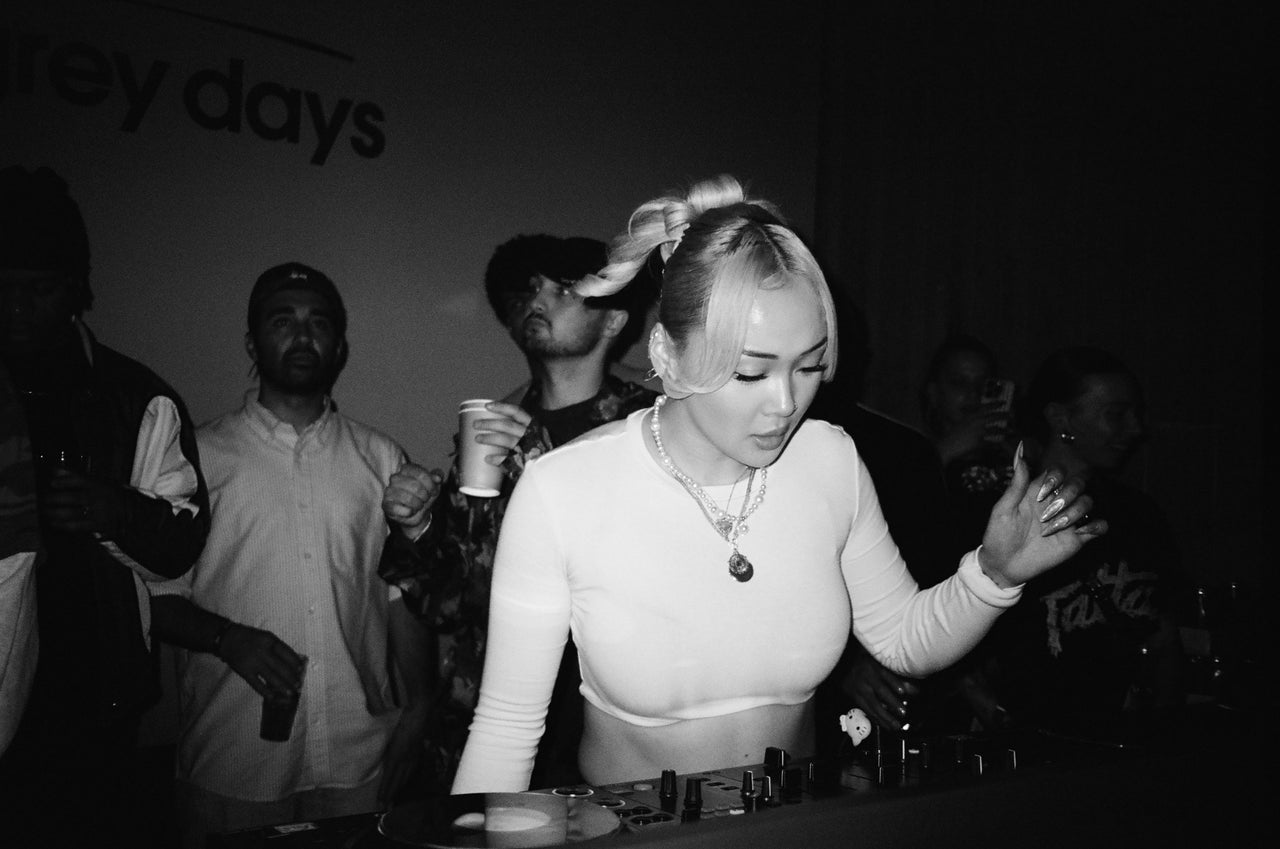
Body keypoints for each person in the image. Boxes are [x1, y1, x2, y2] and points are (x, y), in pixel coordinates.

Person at [450, 175, 1106, 793]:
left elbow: (904, 639)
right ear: (667, 355)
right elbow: (506, 729)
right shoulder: (563, 489)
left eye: (810, 366)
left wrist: (994, 574)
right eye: (750, 372)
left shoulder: (829, 459)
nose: (786, 403)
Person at [149, 263, 431, 846]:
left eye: (319, 323)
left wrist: (420, 708)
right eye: (283, 321)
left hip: (359, 758)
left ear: (339, 345)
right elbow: (154, 595)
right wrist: (227, 638)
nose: (303, 336)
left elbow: (401, 598)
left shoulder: (381, 458)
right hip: (232, 759)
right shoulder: (196, 457)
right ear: (253, 343)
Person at [379, 234, 656, 792]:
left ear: (613, 321)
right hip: (490, 730)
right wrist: (417, 528)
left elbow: (659, 583)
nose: (538, 298)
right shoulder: (490, 432)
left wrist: (544, 466)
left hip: (610, 735)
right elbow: (451, 605)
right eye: (532, 287)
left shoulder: (650, 430)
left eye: (565, 289)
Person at [0, 165, 209, 846]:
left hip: (90, 700)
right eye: (2, 287)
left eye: (37, 289)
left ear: (75, 288)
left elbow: (182, 544)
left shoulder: (133, 397)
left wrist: (115, 509)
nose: (16, 307)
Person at [979, 346, 1185, 740]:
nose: (1135, 429)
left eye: (1135, 413)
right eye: (1116, 414)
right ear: (1062, 418)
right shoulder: (1003, 516)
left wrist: (1165, 731)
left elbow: (1165, 636)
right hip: (1032, 748)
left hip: (1130, 742)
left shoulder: (1139, 513)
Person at [921, 333, 1020, 547]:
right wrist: (946, 450)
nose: (973, 394)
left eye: (984, 384)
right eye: (959, 383)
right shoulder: (912, 454)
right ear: (934, 392)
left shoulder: (1007, 458)